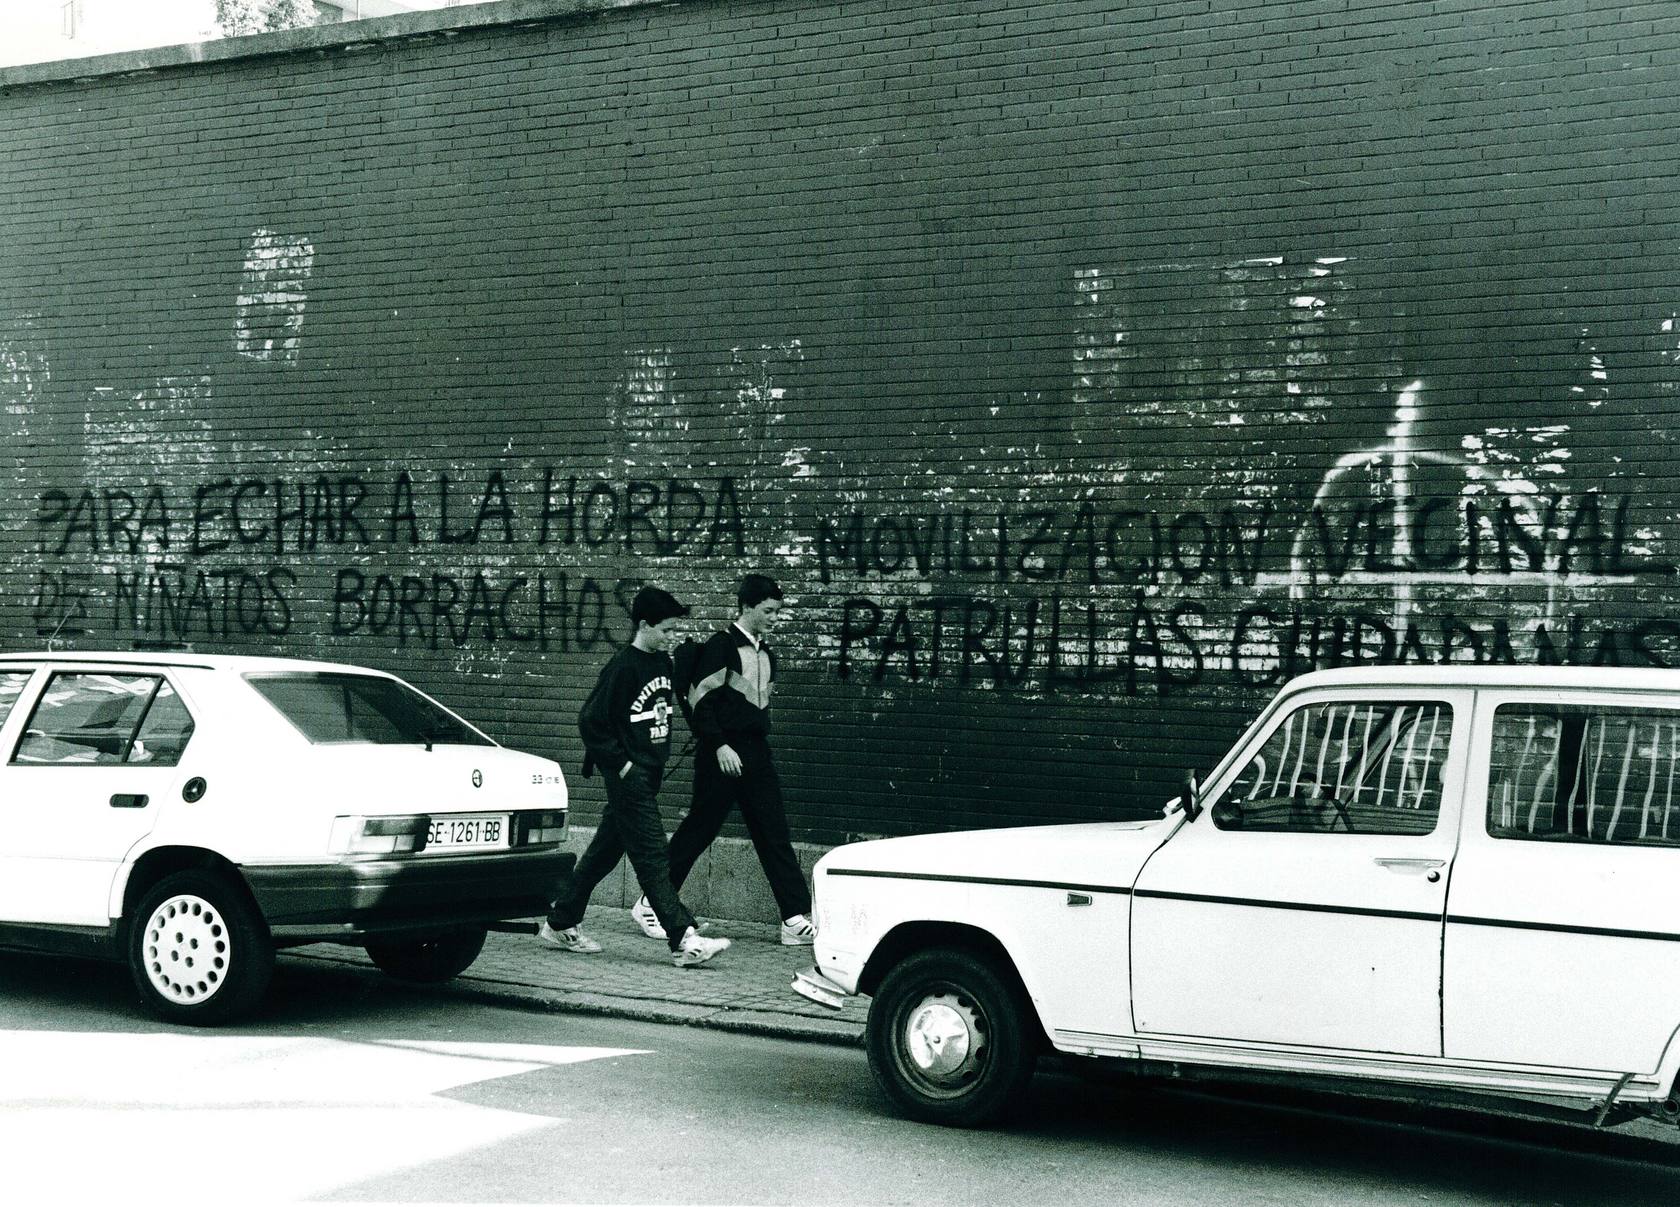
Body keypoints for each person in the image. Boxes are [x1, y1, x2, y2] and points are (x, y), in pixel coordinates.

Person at [539, 585, 730, 968]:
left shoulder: (663, 663)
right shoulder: (623, 666)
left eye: (676, 630)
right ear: (644, 624)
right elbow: (591, 721)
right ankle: (683, 940)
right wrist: (622, 766)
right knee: (653, 857)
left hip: (647, 775)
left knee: (602, 854)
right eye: (667, 629)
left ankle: (561, 920)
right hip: (629, 778)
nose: (672, 637)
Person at [629, 573, 816, 946]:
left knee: (773, 831)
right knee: (699, 829)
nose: (774, 618)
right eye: (768, 611)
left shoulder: (766, 654)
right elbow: (701, 701)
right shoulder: (722, 645)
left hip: (755, 751)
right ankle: (650, 901)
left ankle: (794, 918)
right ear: (747, 607)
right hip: (723, 753)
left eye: (778, 612)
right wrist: (718, 745)